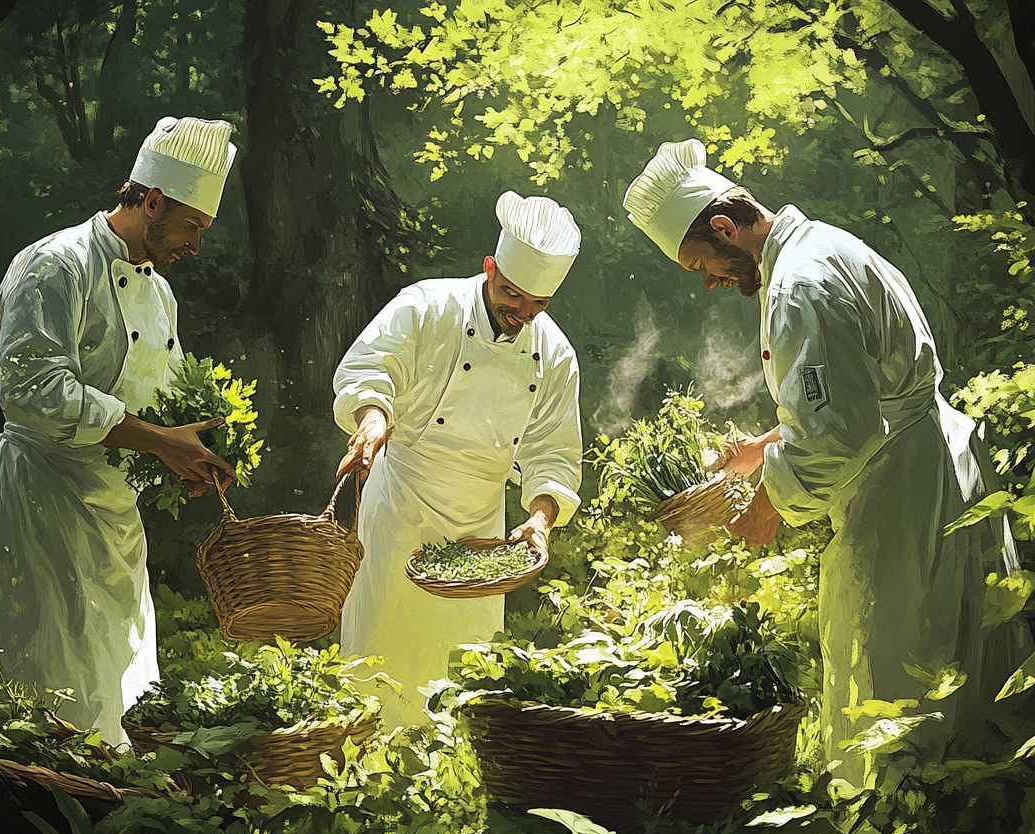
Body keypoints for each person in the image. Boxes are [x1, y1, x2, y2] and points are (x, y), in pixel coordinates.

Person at [623, 138, 1032, 784]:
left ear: (726, 228)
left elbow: (842, 432)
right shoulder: (820, 247)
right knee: (966, 676)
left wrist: (768, 506)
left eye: (703, 263)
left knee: (898, 681)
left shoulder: (797, 289)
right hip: (927, 463)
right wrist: (765, 448)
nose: (708, 282)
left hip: (901, 493)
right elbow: (853, 390)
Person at [0, 116, 239, 746]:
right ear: (154, 201)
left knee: (104, 690)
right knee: (34, 689)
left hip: (111, 513)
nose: (195, 245)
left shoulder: (161, 297)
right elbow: (29, 388)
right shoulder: (56, 266)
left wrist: (181, 453)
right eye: (191, 226)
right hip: (39, 502)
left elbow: (155, 404)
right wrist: (159, 440)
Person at [332, 191, 585, 728]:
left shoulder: (555, 354)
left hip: (480, 530)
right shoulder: (429, 305)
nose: (521, 315)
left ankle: (451, 779)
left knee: (463, 669)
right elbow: (373, 367)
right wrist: (373, 419)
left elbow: (553, 452)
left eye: (538, 306)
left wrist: (539, 521)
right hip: (401, 504)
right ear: (489, 268)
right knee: (378, 654)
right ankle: (365, 775)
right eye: (512, 297)